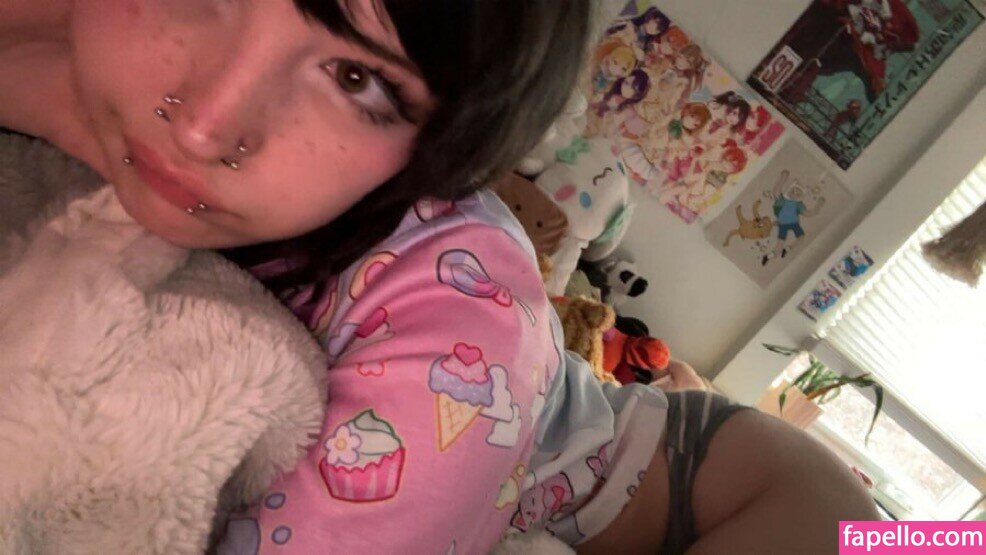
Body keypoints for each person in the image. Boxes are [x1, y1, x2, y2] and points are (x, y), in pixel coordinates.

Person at [1, 2, 877, 553]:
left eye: (356, 76)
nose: (204, 127)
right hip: (641, 418)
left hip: (738, 484)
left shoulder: (453, 309)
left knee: (917, 545)